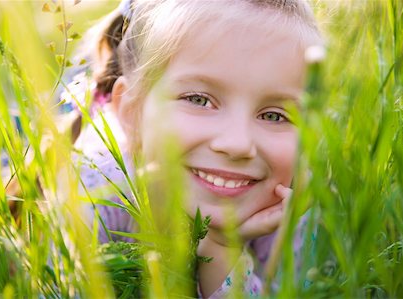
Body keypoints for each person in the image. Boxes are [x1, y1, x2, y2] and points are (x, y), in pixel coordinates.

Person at [67, 0, 323, 297]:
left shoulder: (287, 206)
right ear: (132, 112)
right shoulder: (92, 195)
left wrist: (223, 247)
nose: (237, 144)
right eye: (199, 100)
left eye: (274, 115)